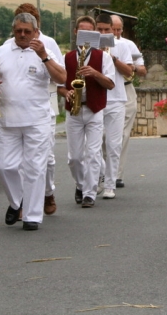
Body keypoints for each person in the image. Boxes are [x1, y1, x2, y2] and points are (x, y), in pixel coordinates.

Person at [0, 13, 67, 231]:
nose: (22, 35)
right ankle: (16, 201)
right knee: (2, 165)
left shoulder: (44, 51)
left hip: (36, 120)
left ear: (35, 32)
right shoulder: (2, 50)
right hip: (7, 118)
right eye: (18, 30)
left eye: (27, 31)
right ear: (14, 30)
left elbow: (62, 78)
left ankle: (32, 216)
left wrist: (44, 57)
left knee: (35, 168)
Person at [10, 3, 63, 216]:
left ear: (37, 23)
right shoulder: (10, 45)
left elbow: (60, 73)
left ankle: (48, 193)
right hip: (18, 111)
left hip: (44, 107)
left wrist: (65, 91)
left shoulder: (48, 43)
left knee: (47, 157)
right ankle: (24, 201)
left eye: (32, 19)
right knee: (21, 160)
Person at [58, 16, 115, 208]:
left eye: (90, 33)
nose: (85, 36)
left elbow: (111, 84)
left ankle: (89, 193)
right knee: (74, 158)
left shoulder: (103, 57)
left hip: (94, 110)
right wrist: (66, 92)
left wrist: (95, 73)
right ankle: (80, 185)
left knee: (92, 153)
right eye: (82, 32)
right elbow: (59, 85)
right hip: (73, 111)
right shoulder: (66, 57)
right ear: (75, 33)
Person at [96, 14, 134, 200]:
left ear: (113, 29)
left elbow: (129, 73)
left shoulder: (123, 46)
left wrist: (112, 58)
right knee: (94, 145)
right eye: (99, 29)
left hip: (117, 99)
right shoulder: (90, 45)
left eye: (106, 30)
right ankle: (100, 175)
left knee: (113, 144)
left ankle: (110, 184)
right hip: (96, 99)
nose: (103, 33)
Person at [110, 15, 148, 189]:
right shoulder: (100, 44)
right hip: (106, 91)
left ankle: (116, 174)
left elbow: (143, 70)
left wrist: (132, 66)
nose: (116, 33)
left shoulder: (128, 45)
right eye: (113, 29)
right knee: (104, 135)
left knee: (122, 135)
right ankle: (104, 170)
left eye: (119, 29)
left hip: (126, 89)